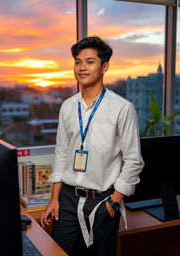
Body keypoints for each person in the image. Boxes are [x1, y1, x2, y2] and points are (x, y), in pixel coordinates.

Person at [41, 36, 144, 256]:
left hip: (102, 203)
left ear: (104, 66)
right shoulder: (68, 107)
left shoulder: (122, 108)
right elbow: (61, 153)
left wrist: (114, 203)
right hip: (67, 201)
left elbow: (133, 160)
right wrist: (53, 198)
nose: (81, 68)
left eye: (89, 62)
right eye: (77, 62)